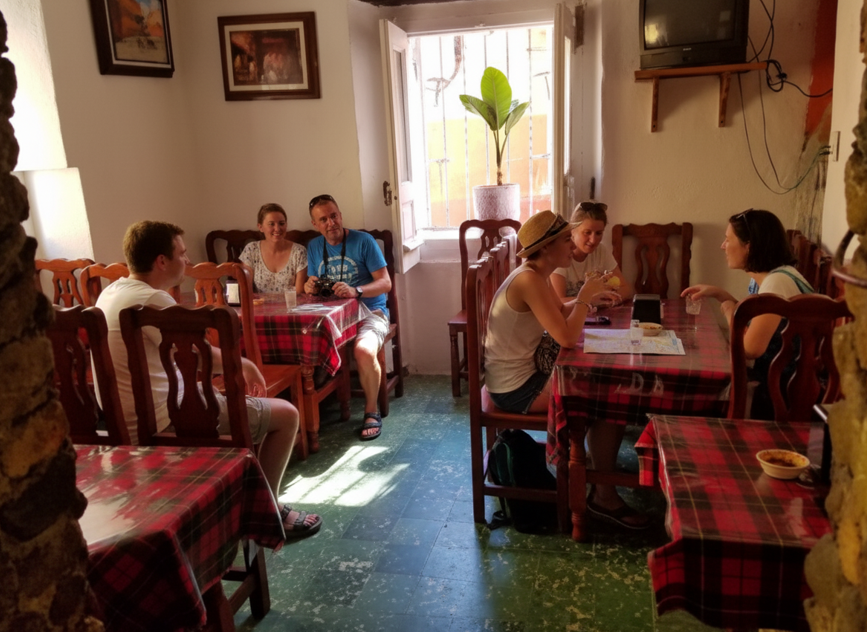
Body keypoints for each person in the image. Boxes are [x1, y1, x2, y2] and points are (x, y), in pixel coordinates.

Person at [95, 221, 321, 537]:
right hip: (164, 419)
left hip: (120, 420)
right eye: (182, 253)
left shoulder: (111, 292)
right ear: (162, 261)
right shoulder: (152, 300)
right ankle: (266, 509)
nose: (187, 261)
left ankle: (241, 496)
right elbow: (195, 352)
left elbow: (173, 356)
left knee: (233, 401)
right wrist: (245, 364)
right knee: (287, 415)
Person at [484, 210, 649, 529]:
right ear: (546, 248)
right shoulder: (529, 280)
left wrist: (588, 298)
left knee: (601, 384)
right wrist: (585, 299)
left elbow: (560, 311)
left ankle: (588, 468)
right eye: (564, 240)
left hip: (521, 375)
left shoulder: (534, 274)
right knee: (605, 396)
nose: (571, 246)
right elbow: (567, 337)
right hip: (515, 389)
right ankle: (603, 494)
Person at [680, 209, 813, 419]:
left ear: (749, 246)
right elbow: (753, 321)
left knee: (699, 395)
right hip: (782, 380)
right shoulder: (771, 276)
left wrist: (726, 306)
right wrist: (721, 294)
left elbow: (749, 348)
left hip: (785, 392)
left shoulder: (777, 283)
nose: (723, 246)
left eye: (727, 240)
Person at [304, 194, 392, 441]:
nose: (331, 223)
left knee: (363, 351)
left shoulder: (363, 241)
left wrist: (357, 290)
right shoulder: (313, 247)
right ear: (315, 224)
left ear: (341, 215)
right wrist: (310, 286)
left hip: (370, 311)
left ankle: (371, 410)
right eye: (324, 219)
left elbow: (386, 283)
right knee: (303, 344)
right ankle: (313, 401)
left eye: (334, 216)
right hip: (331, 315)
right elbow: (314, 284)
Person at [551, 201, 631, 306]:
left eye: (599, 233)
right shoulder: (561, 254)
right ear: (572, 230)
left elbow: (625, 289)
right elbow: (558, 301)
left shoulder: (601, 251)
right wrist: (590, 299)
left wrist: (608, 298)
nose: (593, 240)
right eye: (587, 233)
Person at [239, 203, 308, 294]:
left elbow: (299, 293)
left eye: (281, 223)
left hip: (290, 307)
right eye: (271, 224)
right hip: (259, 306)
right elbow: (246, 290)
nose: (277, 229)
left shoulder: (299, 252)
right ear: (260, 227)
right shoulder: (251, 250)